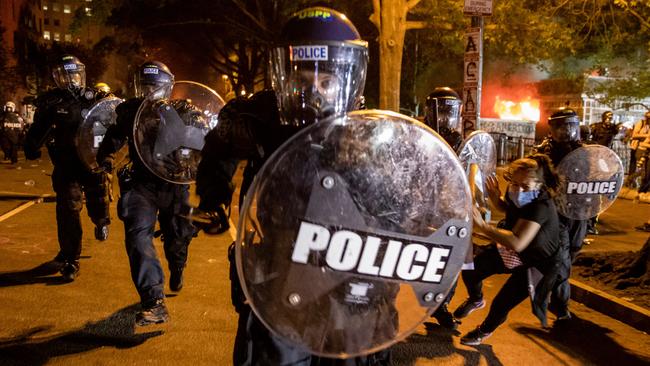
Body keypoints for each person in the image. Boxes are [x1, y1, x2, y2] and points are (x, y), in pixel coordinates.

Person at [196, 7, 393, 365]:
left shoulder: (371, 132)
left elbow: (396, 199)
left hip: (352, 274)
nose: (314, 92)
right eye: (303, 82)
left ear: (347, 79)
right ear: (285, 78)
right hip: (280, 271)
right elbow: (218, 149)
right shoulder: (261, 119)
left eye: (326, 83)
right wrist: (213, 200)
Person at [96, 61, 197, 326]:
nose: (151, 90)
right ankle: (154, 300)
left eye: (156, 85)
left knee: (178, 237)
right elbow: (114, 136)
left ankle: (177, 266)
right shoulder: (131, 111)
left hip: (174, 183)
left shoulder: (182, 110)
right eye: (147, 85)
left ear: (167, 86)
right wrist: (105, 155)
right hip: (142, 185)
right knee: (136, 237)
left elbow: (194, 140)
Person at [457, 155, 563, 345]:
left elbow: (517, 242)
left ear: (540, 186)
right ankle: (476, 299)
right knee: (471, 268)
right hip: (517, 253)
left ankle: (483, 331)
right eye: (514, 183)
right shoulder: (519, 193)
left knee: (502, 303)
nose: (518, 190)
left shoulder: (542, 206)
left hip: (537, 263)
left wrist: (483, 226)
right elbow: (511, 209)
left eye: (525, 186)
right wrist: (497, 199)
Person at [23, 55, 112, 282]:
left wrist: (110, 154)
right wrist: (31, 147)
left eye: (75, 74)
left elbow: (114, 121)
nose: (72, 80)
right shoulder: (52, 102)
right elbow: (38, 129)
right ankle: (71, 258)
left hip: (92, 161)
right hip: (65, 163)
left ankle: (101, 221)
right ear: (58, 78)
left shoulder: (95, 97)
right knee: (68, 210)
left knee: (98, 200)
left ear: (82, 74)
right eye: (66, 75)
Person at [530, 107, 587, 320]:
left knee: (570, 254)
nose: (566, 131)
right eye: (561, 126)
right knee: (562, 260)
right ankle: (560, 306)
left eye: (570, 126)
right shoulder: (544, 153)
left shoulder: (585, 152)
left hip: (578, 215)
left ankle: (545, 295)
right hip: (556, 214)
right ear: (552, 128)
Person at [422, 86, 464, 329]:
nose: (446, 117)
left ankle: (441, 304)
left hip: (450, 209)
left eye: (451, 112)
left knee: (452, 258)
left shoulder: (460, 141)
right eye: (442, 111)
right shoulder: (419, 133)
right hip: (422, 207)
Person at [424, 87, 463, 152]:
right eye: (441, 112)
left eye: (449, 113)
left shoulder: (455, 139)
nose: (446, 119)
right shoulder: (423, 137)